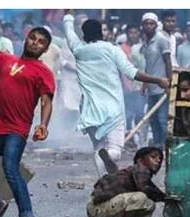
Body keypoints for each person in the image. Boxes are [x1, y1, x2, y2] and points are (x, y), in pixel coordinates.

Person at [62, 13, 169, 176]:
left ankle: (103, 182)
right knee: (115, 151)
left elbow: (69, 32)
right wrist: (157, 80)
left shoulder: (78, 49)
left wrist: (67, 17)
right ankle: (110, 158)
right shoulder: (112, 50)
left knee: (98, 148)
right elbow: (132, 73)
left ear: (83, 35)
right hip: (112, 109)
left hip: (90, 110)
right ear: (102, 33)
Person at [0, 26, 55, 217]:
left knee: (11, 168)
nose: (35, 42)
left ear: (45, 49)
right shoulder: (6, 60)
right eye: (32, 38)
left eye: (41, 42)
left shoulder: (43, 71)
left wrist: (43, 125)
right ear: (26, 40)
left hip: (16, 130)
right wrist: (0, 54)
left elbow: (46, 101)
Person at [86, 147, 167, 217]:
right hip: (97, 207)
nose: (158, 161)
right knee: (141, 198)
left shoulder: (136, 173)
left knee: (147, 205)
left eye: (160, 159)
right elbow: (146, 189)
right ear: (140, 160)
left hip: (98, 207)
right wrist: (167, 199)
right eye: (153, 157)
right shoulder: (141, 169)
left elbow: (139, 216)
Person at [140, 12, 172, 148]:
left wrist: (169, 83)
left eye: (151, 23)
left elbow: (168, 62)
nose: (148, 26)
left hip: (162, 86)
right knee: (153, 120)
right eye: (146, 23)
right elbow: (148, 64)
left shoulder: (161, 40)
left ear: (155, 25)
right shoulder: (146, 42)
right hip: (152, 88)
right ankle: (158, 145)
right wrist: (144, 83)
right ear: (143, 26)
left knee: (162, 119)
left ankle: (167, 147)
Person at [121, 24, 147, 149]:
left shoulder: (142, 48)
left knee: (139, 113)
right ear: (127, 34)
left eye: (135, 32)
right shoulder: (122, 48)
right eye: (130, 32)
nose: (133, 35)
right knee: (128, 114)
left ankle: (139, 139)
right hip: (126, 86)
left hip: (140, 86)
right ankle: (129, 138)